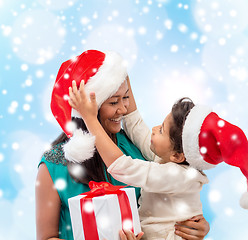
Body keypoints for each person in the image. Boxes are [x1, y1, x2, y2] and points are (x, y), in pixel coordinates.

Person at [35, 49, 210, 240]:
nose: (123, 108)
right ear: (86, 110)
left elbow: (170, 203)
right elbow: (46, 237)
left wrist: (194, 224)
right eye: (113, 102)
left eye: (125, 97)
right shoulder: (53, 165)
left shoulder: (134, 147)